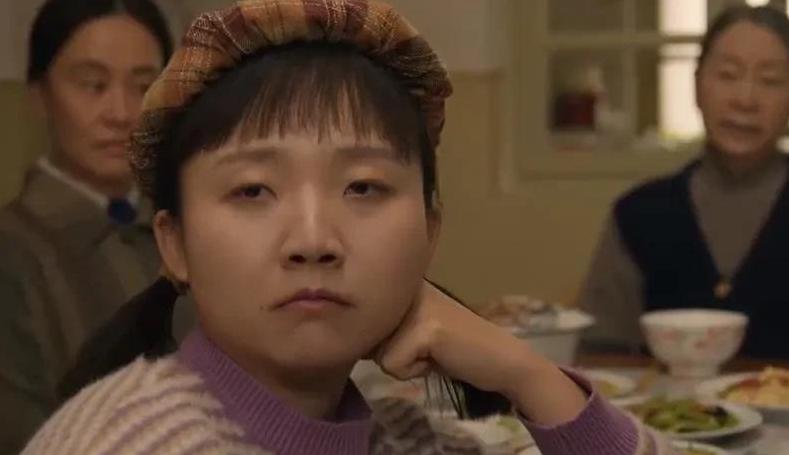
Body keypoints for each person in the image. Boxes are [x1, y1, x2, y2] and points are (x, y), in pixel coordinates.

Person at [23, 1, 676, 454]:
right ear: (174, 244)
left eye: (363, 187)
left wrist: (525, 372)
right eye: (252, 190)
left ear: (429, 229)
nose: (313, 240)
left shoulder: (405, 438)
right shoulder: (129, 441)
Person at [0, 0, 178, 452]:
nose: (121, 112)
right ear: (39, 96)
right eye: (93, 85)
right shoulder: (13, 251)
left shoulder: (193, 232)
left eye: (144, 87)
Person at [580, 5, 789, 359]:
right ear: (696, 84)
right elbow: (601, 356)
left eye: (770, 81)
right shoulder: (638, 215)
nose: (745, 99)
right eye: (728, 75)